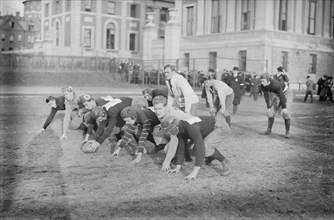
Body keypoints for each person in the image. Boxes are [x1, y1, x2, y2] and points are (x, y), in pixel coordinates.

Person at [161, 115, 231, 180]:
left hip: (219, 125)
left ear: (175, 126)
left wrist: (194, 172)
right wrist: (178, 167)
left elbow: (200, 148)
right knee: (193, 149)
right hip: (210, 126)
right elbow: (181, 148)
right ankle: (211, 156)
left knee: (205, 148)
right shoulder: (180, 127)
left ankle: (225, 161)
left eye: (169, 130)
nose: (169, 133)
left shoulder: (190, 127)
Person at [151, 95, 195, 167]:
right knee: (159, 131)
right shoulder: (163, 113)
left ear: (166, 107)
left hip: (190, 130)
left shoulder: (171, 115)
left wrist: (167, 160)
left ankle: (177, 158)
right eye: (155, 109)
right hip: (180, 131)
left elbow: (175, 138)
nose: (157, 111)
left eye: (159, 109)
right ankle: (183, 156)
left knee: (167, 148)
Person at [260, 73, 291, 138]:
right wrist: (268, 107)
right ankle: (269, 130)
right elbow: (266, 96)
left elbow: (282, 96)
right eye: (261, 81)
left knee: (285, 113)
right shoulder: (263, 85)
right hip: (277, 94)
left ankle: (287, 131)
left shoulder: (275, 84)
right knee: (271, 112)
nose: (262, 83)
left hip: (286, 93)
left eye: (263, 81)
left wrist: (284, 107)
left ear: (268, 80)